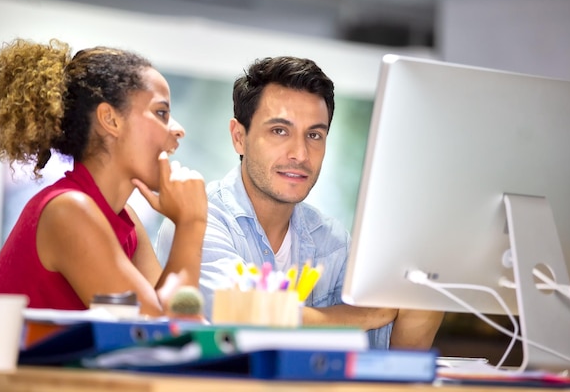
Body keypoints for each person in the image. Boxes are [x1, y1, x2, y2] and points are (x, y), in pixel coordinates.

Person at [156, 56, 443, 348]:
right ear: (239, 137)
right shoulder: (198, 222)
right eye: (280, 131)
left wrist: (423, 293)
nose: (301, 154)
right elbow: (245, 318)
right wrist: (367, 315)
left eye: (314, 135)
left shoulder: (331, 241)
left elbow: (380, 352)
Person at [0, 38, 208, 317]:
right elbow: (162, 330)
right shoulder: (69, 211)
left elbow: (174, 320)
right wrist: (191, 222)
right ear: (110, 120)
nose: (178, 130)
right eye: (161, 113)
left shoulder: (126, 218)